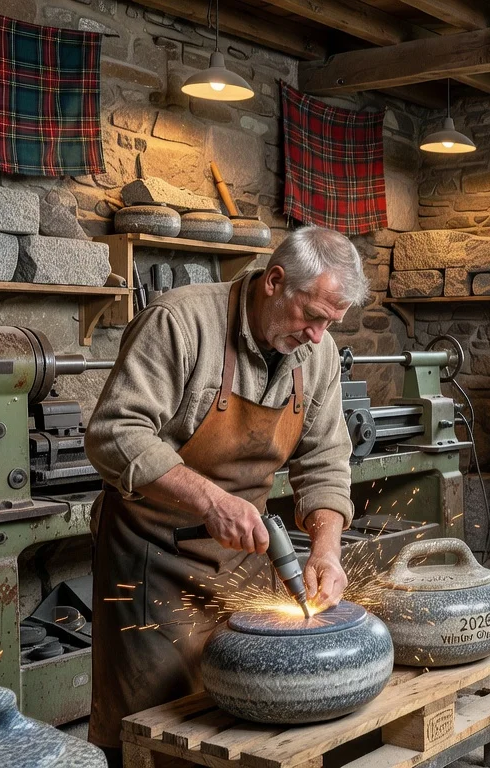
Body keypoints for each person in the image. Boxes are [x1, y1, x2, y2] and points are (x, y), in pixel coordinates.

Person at [83, 225, 367, 757]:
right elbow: (114, 433)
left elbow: (326, 459)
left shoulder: (318, 354)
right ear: (274, 281)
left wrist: (327, 550)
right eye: (312, 316)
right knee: (154, 725)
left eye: (331, 323)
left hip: (242, 562)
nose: (317, 336)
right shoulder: (180, 322)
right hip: (153, 560)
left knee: (235, 717)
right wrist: (212, 502)